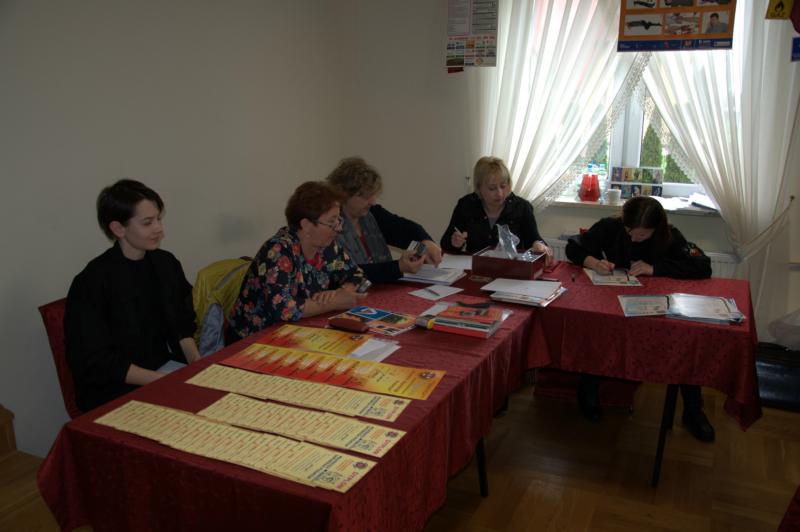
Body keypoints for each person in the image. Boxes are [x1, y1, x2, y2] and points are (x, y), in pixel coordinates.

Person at [565, 196, 715, 442]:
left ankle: (693, 411)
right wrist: (593, 262)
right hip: (615, 303)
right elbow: (573, 247)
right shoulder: (611, 226)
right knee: (599, 334)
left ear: (656, 229)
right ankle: (588, 390)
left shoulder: (670, 236)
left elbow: (703, 266)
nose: (634, 239)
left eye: (642, 235)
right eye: (629, 232)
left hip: (656, 307)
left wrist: (655, 269)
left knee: (684, 343)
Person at [65, 179, 200, 412]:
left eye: (158, 219)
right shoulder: (92, 282)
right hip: (116, 389)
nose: (158, 228)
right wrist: (166, 381)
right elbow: (97, 360)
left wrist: (196, 363)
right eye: (147, 222)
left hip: (165, 369)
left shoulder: (165, 263)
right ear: (118, 228)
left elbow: (182, 323)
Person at [227, 181, 366, 343]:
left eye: (338, 220)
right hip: (252, 340)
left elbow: (357, 274)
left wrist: (343, 292)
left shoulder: (327, 246)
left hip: (297, 331)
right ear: (306, 225)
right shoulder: (278, 250)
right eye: (331, 222)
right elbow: (284, 308)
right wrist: (334, 303)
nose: (339, 228)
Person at [326, 157, 442, 283]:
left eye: (373, 195)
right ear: (344, 194)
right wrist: (397, 267)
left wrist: (426, 242)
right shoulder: (330, 226)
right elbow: (343, 272)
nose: (372, 202)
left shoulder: (373, 213)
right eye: (366, 196)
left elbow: (406, 229)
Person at [440, 156, 554, 264]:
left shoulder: (522, 207)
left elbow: (534, 239)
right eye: (492, 188)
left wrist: (539, 245)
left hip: (511, 269)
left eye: (503, 186)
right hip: (476, 268)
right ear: (479, 187)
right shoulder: (466, 205)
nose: (499, 193)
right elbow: (445, 244)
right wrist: (455, 243)